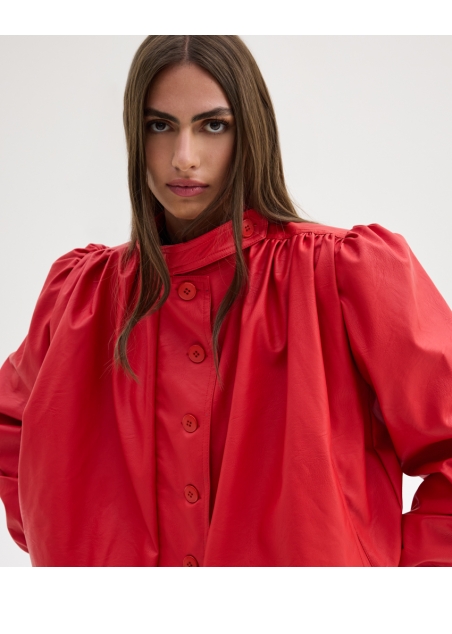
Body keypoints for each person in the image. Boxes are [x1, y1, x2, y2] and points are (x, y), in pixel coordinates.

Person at [0, 35, 451, 567]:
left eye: (213, 125)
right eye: (159, 125)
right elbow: (10, 424)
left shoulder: (343, 274)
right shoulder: (81, 297)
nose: (184, 157)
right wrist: (65, 534)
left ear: (251, 132)